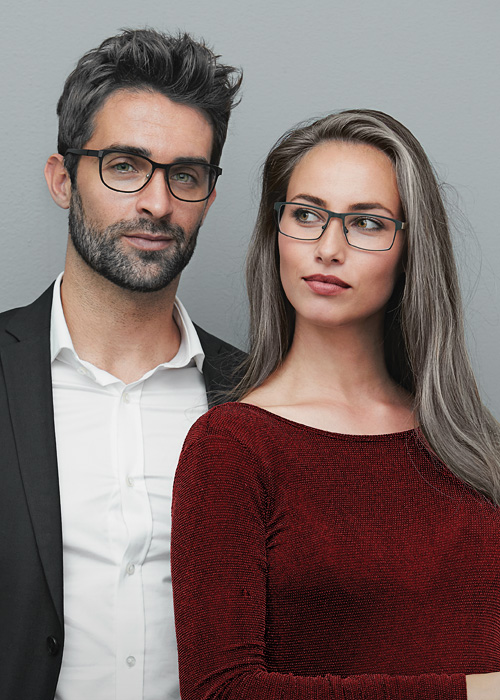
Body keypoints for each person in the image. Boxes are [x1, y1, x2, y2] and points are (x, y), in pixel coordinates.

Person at [171, 109, 500, 700]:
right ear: (276, 234)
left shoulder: (474, 446)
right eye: (306, 215)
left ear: (411, 248)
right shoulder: (231, 447)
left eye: (367, 223)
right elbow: (222, 692)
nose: (327, 247)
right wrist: (474, 693)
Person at [0, 28, 243, 700]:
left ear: (209, 196)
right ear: (61, 178)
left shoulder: (257, 398)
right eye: (126, 166)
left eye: (185, 175)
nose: (157, 204)